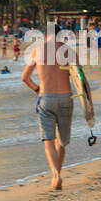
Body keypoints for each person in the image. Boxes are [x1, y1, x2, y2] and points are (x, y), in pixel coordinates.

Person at [21, 29, 75, 191]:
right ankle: (57, 173)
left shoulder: (37, 51)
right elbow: (80, 77)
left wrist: (37, 89)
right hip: (66, 98)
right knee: (62, 141)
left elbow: (25, 78)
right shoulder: (69, 52)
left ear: (45, 37)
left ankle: (56, 175)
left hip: (46, 98)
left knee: (48, 141)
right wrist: (90, 105)